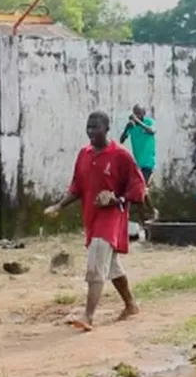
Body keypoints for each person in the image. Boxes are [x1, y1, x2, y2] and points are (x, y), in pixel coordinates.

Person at [44, 111, 157, 332]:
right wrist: (59, 206)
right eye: (89, 127)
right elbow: (77, 188)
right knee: (112, 266)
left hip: (112, 217)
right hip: (92, 217)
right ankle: (130, 304)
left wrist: (117, 199)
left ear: (106, 129)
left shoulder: (121, 156)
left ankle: (88, 315)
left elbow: (138, 187)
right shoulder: (84, 155)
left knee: (96, 262)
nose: (91, 131)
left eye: (96, 127)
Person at [118, 104, 156, 183]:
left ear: (144, 113)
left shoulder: (148, 122)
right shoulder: (132, 126)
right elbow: (121, 141)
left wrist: (138, 122)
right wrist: (126, 128)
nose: (136, 115)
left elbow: (152, 131)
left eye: (139, 113)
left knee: (142, 186)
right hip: (138, 163)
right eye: (135, 113)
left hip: (148, 162)